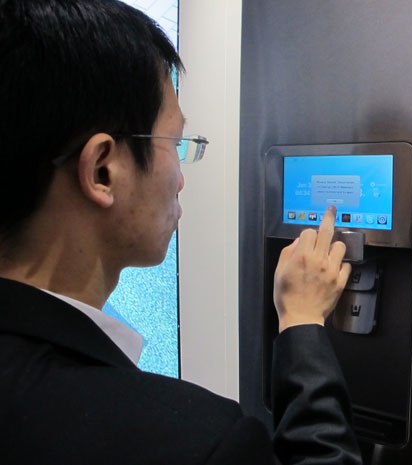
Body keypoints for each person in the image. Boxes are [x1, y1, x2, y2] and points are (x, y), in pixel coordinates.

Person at [0, 0, 362, 464]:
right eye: (173, 142)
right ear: (103, 171)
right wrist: (303, 323)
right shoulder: (195, 442)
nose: (181, 177)